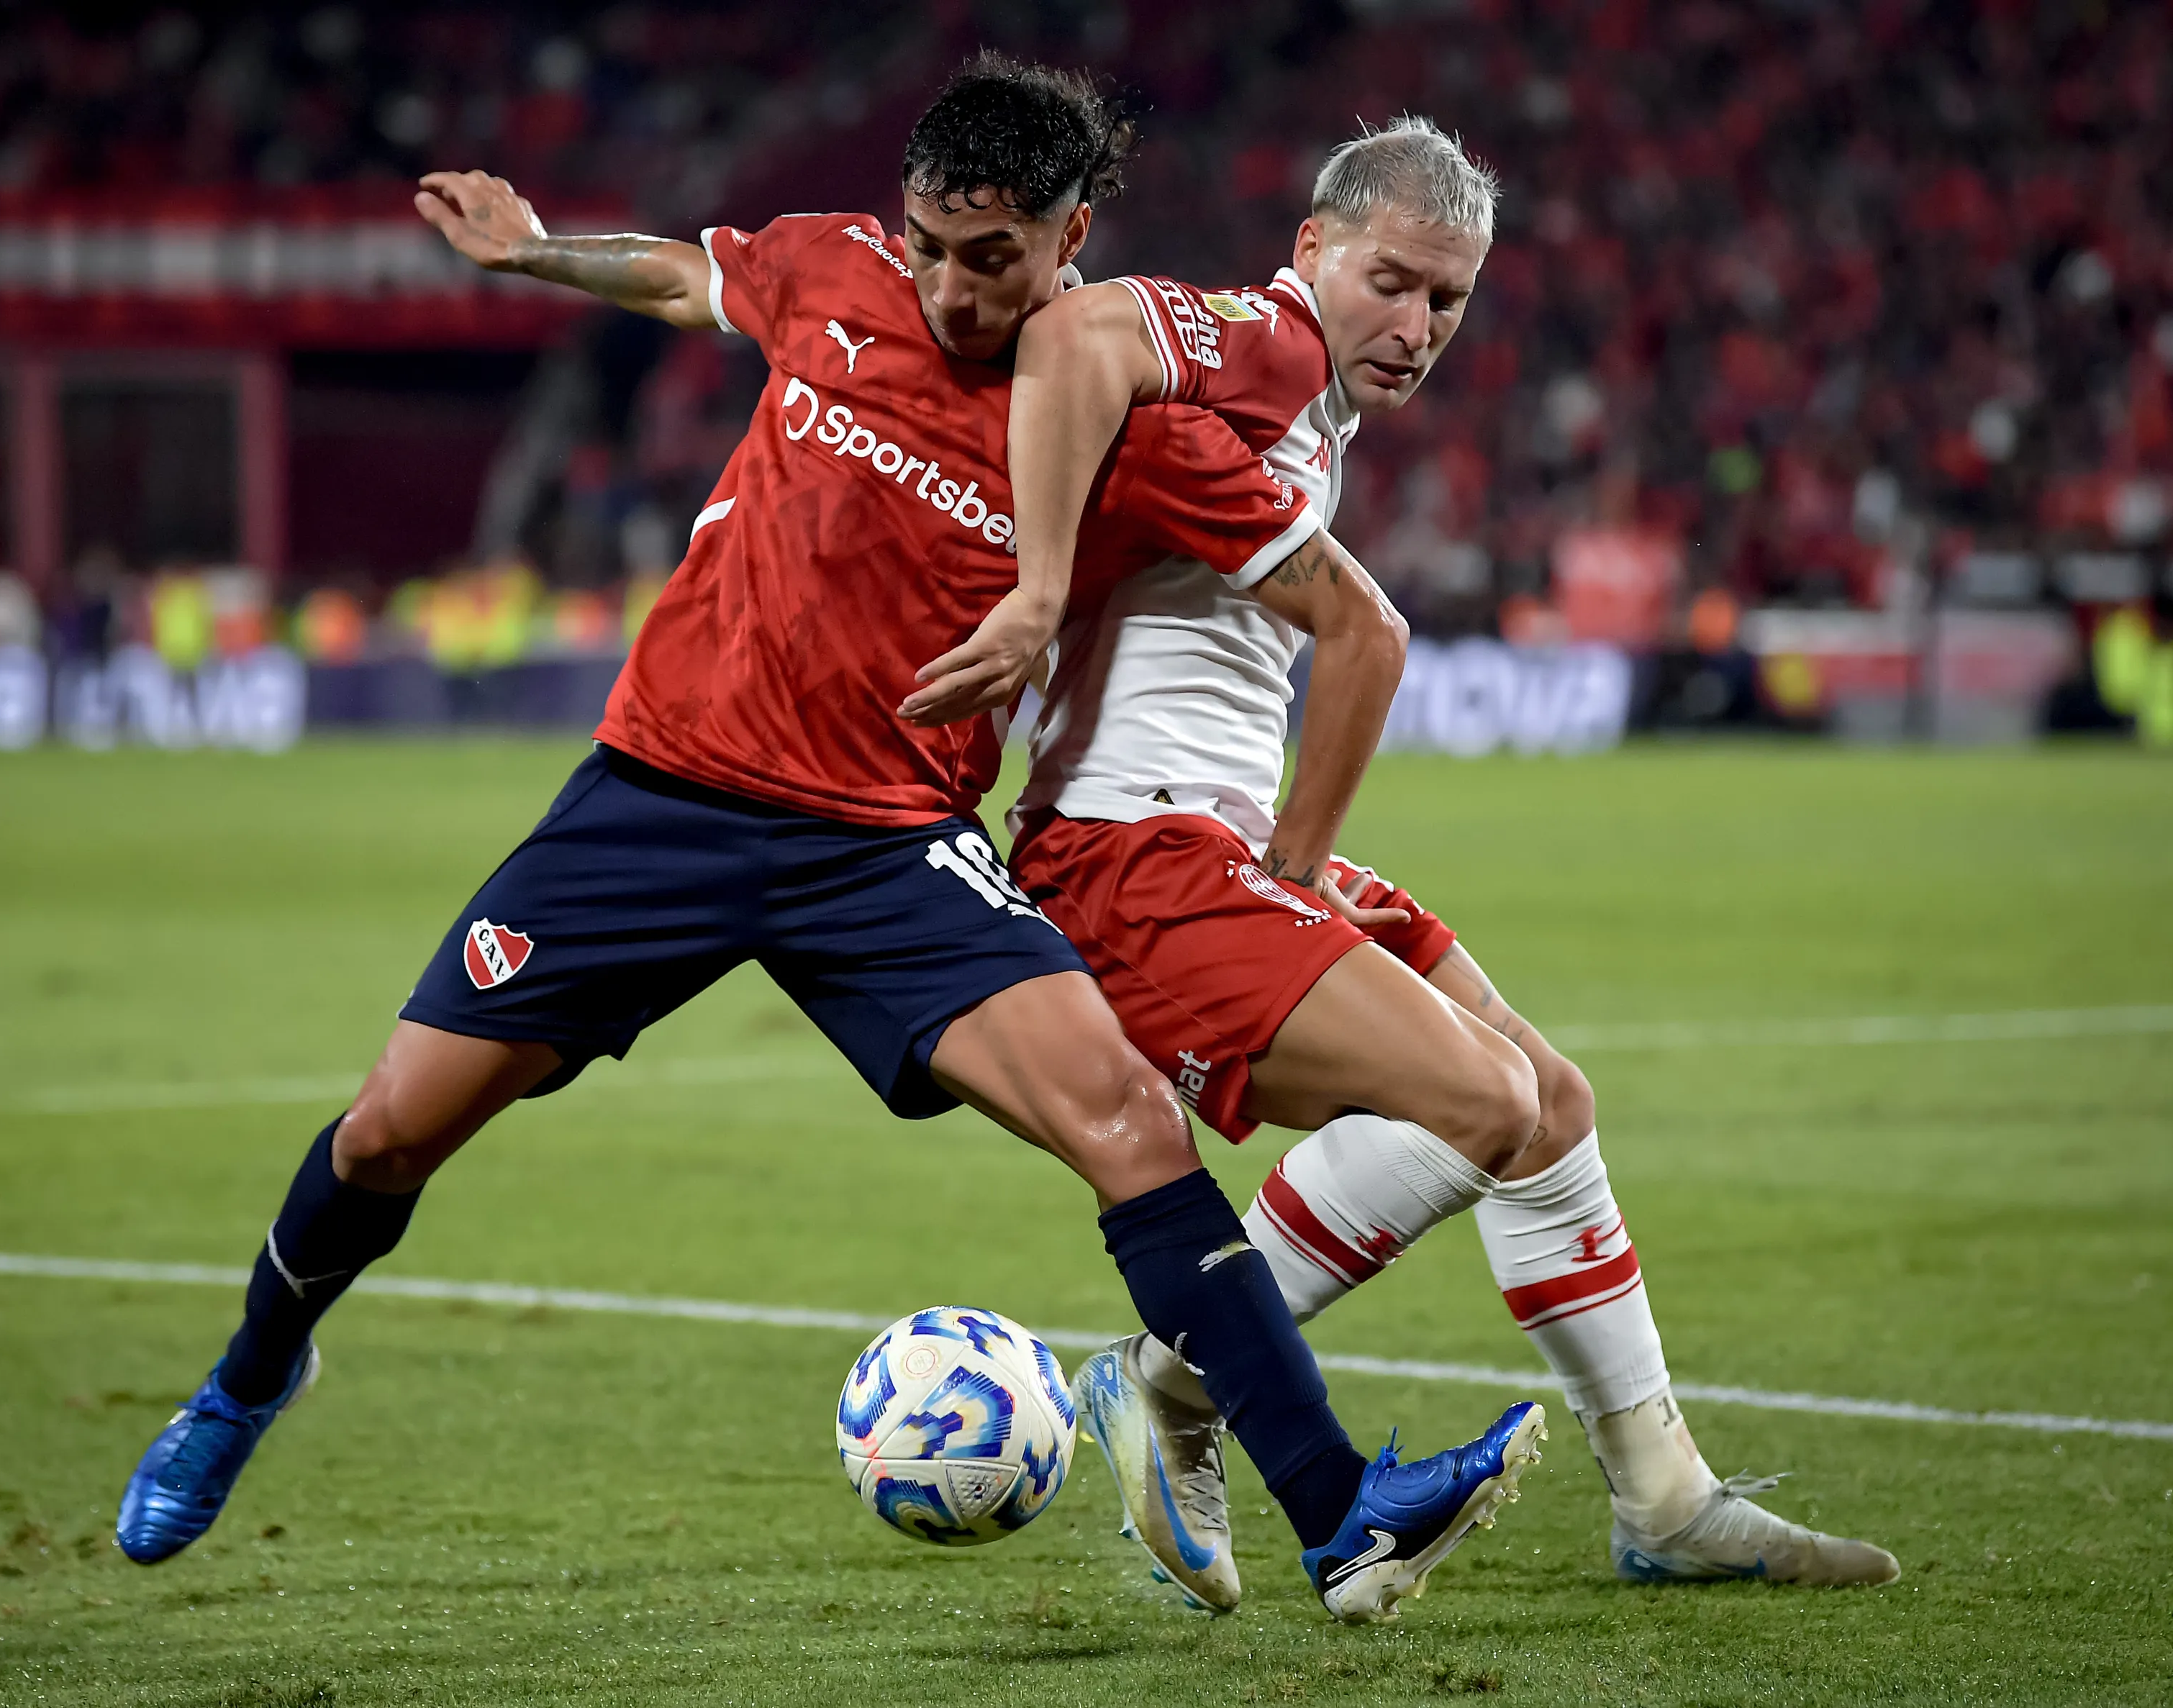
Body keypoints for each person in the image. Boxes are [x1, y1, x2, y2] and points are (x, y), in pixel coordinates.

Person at [114, 58, 1539, 1625]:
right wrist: (538, 251)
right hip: (663, 798)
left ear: (1070, 239)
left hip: (886, 848)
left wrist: (1272, 824)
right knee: (389, 1131)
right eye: (926, 241)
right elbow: (683, 276)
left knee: (1134, 1126)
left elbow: (1341, 611)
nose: (943, 284)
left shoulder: (1119, 430)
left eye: (988, 257)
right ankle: (248, 1378)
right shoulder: (830, 267)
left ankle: (1337, 1513)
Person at [971, 115, 1899, 1606]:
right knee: (1482, 1097)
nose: (1414, 328)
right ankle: (1177, 1372)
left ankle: (1662, 1493)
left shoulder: (1309, 413)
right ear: (1310, 252)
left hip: (1213, 835)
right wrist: (1298, 854)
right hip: (1133, 852)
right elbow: (1094, 328)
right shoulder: (1258, 349)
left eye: (1447, 300)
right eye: (1389, 282)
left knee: (1551, 1109)